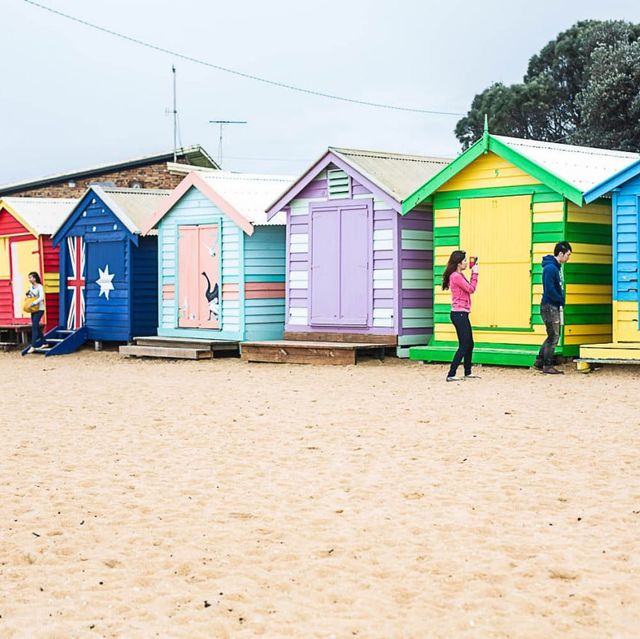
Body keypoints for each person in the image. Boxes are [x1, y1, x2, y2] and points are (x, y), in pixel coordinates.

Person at [533, 241, 572, 374]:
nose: (568, 258)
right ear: (560, 253)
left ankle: (540, 360)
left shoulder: (555, 267)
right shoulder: (551, 268)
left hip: (551, 305)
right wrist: (560, 299)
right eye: (567, 255)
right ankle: (547, 364)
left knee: (552, 334)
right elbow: (549, 288)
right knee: (554, 335)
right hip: (550, 306)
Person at [442, 250, 480, 382]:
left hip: (462, 313)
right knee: (464, 345)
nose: (465, 263)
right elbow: (471, 289)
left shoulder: (459, 275)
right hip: (459, 313)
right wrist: (475, 273)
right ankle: (451, 374)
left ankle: (467, 372)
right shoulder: (456, 276)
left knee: (470, 344)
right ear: (458, 263)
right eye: (464, 261)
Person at [25, 271, 46, 354]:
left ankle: (33, 346)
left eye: (30, 277)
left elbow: (41, 297)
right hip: (33, 309)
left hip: (40, 309)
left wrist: (33, 303)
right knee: (36, 326)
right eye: (29, 277)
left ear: (35, 278)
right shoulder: (31, 286)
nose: (29, 279)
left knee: (34, 326)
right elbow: (31, 296)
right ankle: (44, 342)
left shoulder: (39, 286)